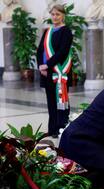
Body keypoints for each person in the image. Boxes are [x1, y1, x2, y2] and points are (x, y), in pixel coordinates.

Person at [37, 4, 73, 138]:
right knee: (51, 102)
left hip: (60, 73)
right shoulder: (48, 31)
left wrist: (48, 65)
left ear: (63, 15)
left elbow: (62, 52)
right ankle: (52, 129)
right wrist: (41, 66)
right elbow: (40, 50)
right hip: (46, 73)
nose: (55, 17)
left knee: (61, 101)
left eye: (58, 14)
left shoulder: (66, 31)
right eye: (53, 14)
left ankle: (62, 128)